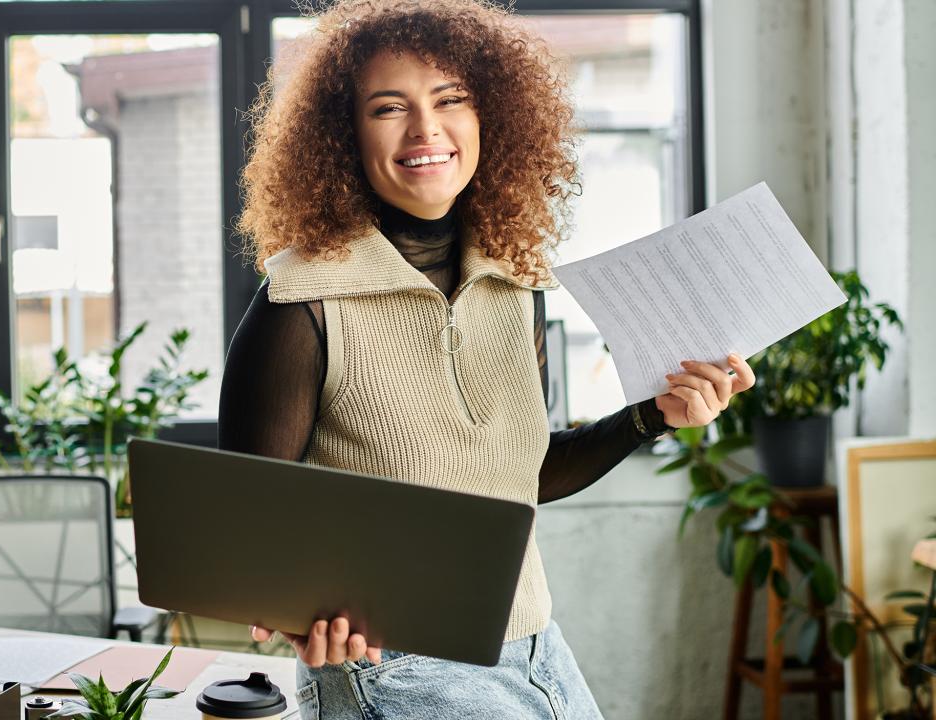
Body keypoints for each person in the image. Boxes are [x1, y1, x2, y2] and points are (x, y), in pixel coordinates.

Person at [219, 0, 756, 717]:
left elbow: (520, 473)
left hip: (536, 646)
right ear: (343, 136)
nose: (426, 129)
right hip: (393, 663)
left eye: (451, 100)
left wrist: (650, 417)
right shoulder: (301, 303)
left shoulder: (512, 283)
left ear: (489, 118)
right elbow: (249, 529)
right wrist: (299, 611)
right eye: (389, 108)